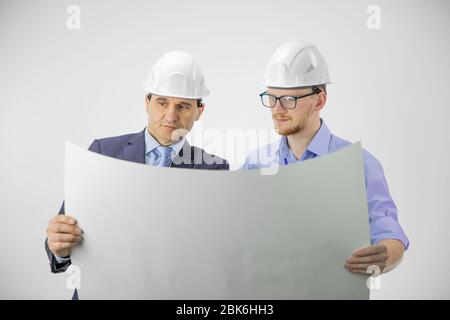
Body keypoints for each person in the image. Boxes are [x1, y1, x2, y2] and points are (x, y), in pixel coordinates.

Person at [45, 51, 229, 276]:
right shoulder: (102, 153)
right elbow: (64, 236)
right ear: (147, 101)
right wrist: (59, 249)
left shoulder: (214, 170)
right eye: (162, 103)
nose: (171, 116)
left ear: (199, 111)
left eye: (182, 106)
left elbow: (216, 254)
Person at [243, 41, 409, 274]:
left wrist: (385, 255)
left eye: (289, 100)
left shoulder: (359, 164)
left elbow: (389, 234)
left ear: (319, 101)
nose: (277, 110)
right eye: (271, 98)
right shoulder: (255, 163)